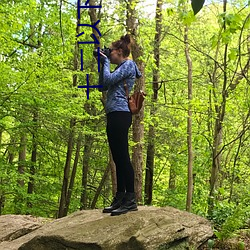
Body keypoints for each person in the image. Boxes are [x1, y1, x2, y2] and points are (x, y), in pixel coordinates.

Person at [97, 34, 142, 216]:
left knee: (122, 157)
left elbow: (107, 80)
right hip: (113, 113)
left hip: (121, 114)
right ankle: (121, 197)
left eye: (111, 51)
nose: (110, 54)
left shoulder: (129, 65)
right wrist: (103, 63)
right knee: (117, 157)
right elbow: (103, 85)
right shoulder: (120, 68)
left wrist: (106, 61)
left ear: (120, 52)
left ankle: (130, 199)